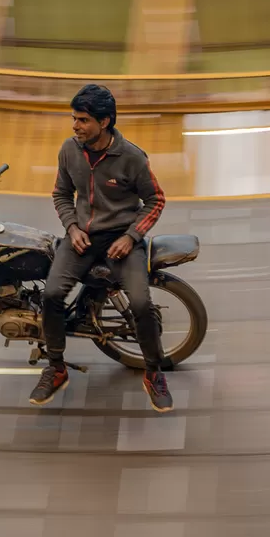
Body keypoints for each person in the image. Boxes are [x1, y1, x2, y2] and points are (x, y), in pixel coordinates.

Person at [31, 84, 172, 412]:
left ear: (104, 121)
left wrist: (132, 236)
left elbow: (156, 199)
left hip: (123, 241)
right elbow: (61, 194)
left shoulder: (132, 157)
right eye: (74, 118)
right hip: (82, 237)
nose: (75, 125)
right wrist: (72, 226)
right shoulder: (69, 149)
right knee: (51, 295)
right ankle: (56, 366)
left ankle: (154, 372)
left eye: (82, 120)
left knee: (140, 302)